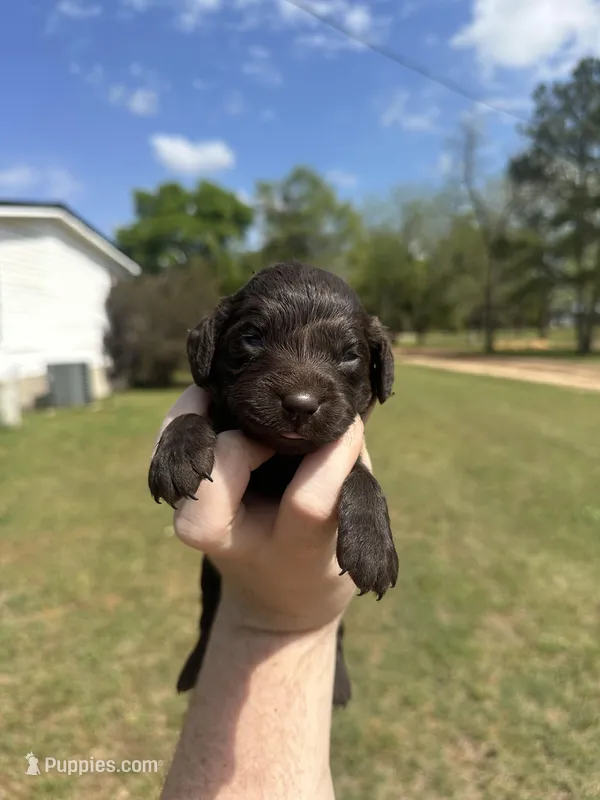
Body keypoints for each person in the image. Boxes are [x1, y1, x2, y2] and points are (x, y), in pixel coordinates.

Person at [157, 385, 373, 800]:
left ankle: (336, 651)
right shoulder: (217, 408)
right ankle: (204, 642)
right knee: (212, 578)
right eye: (253, 348)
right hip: (241, 508)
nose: (301, 392)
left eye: (345, 357)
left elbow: (348, 470)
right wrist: (185, 430)